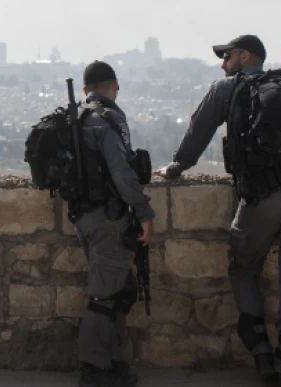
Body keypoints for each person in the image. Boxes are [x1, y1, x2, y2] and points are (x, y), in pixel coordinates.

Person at [155, 35, 281, 387]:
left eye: (227, 56)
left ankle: (260, 350)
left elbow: (198, 132)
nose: (222, 63)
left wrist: (175, 168)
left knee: (244, 269)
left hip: (262, 194)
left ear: (246, 56)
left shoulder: (227, 89)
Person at [74, 60, 156, 387]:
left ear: (84, 90)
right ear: (115, 86)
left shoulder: (76, 120)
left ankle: (108, 361)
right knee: (105, 296)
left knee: (121, 289)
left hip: (83, 217)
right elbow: (121, 173)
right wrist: (145, 212)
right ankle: (95, 370)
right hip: (108, 219)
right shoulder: (106, 121)